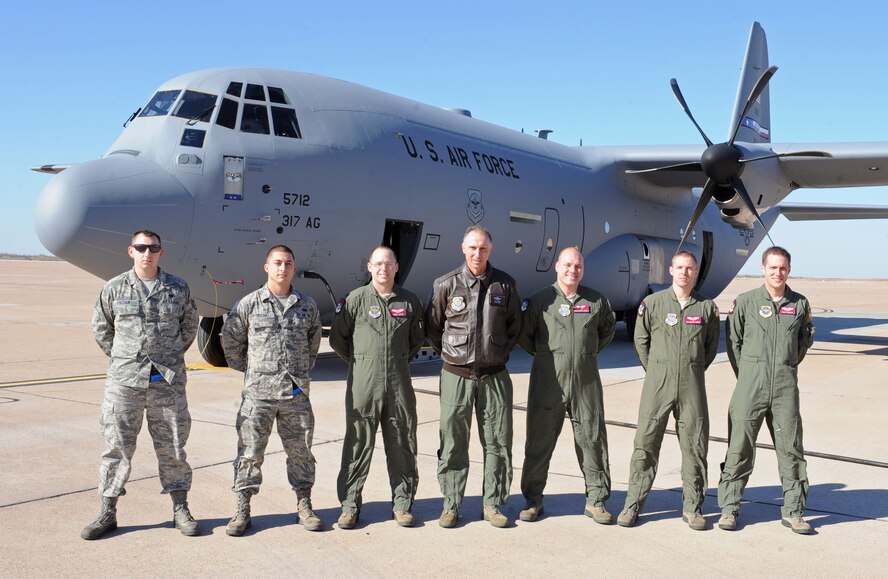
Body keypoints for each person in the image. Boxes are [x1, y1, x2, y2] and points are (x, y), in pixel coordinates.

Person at [83, 230, 200, 540]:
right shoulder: (114, 288)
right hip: (124, 383)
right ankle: (107, 511)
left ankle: (180, 508)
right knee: (116, 448)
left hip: (167, 382)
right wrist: (126, 359)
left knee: (173, 448)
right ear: (130, 251)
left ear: (161, 252)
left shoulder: (178, 288)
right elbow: (102, 329)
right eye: (141, 247)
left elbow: (188, 328)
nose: (147, 252)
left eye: (153, 247)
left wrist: (166, 356)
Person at [221, 245, 323, 535]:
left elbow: (313, 342)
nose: (282, 268)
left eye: (288, 263)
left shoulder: (307, 305)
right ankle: (242, 509)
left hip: (294, 394)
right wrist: (254, 372)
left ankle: (304, 505)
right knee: (250, 453)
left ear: (294, 267)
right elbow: (231, 342)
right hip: (258, 395)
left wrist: (299, 371)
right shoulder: (249, 304)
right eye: (277, 263)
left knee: (301, 452)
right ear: (266, 267)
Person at [426, 226, 521, 528]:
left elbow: (515, 327)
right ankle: (451, 504)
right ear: (462, 248)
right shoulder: (446, 285)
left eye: (482, 248)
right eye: (472, 248)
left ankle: (492, 504)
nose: (477, 253)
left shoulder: (504, 285)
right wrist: (454, 354)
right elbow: (433, 327)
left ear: (490, 250)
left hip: (494, 376)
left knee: (497, 442)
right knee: (453, 441)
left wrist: (498, 351)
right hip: (456, 375)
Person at [618, 250, 719, 530]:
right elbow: (641, 340)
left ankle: (693, 507)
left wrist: (691, 367)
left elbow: (710, 347)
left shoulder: (706, 308)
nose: (684, 272)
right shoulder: (652, 303)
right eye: (679, 267)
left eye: (689, 268)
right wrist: (657, 369)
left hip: (692, 384)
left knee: (695, 446)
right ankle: (632, 504)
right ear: (670, 271)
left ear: (695, 272)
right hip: (657, 383)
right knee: (645, 445)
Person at [717, 246, 815, 534]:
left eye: (782, 267)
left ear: (789, 269)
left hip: (785, 388)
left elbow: (803, 343)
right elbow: (733, 342)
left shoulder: (799, 304)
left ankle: (794, 511)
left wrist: (784, 366)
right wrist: (749, 373)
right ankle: (729, 509)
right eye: (772, 267)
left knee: (791, 450)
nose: (778, 272)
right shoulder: (745, 302)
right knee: (739, 448)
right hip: (750, 386)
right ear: (763, 268)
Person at [517, 247, 616, 524]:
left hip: (586, 383)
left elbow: (606, 332)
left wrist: (584, 354)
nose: (573, 270)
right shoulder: (539, 301)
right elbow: (525, 336)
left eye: (578, 266)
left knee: (593, 441)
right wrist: (551, 357)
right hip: (548, 382)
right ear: (557, 266)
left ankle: (596, 501)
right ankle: (533, 500)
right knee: (539, 441)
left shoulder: (596, 301)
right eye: (568, 265)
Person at [329, 246, 425, 529]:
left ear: (397, 267)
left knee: (402, 443)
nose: (383, 268)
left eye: (389, 263)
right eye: (378, 263)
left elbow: (415, 341)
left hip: (399, 384)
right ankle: (349, 505)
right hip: (364, 384)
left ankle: (403, 504)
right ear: (369, 267)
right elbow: (338, 339)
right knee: (357, 444)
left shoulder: (410, 302)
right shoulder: (355, 300)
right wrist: (363, 362)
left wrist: (392, 362)